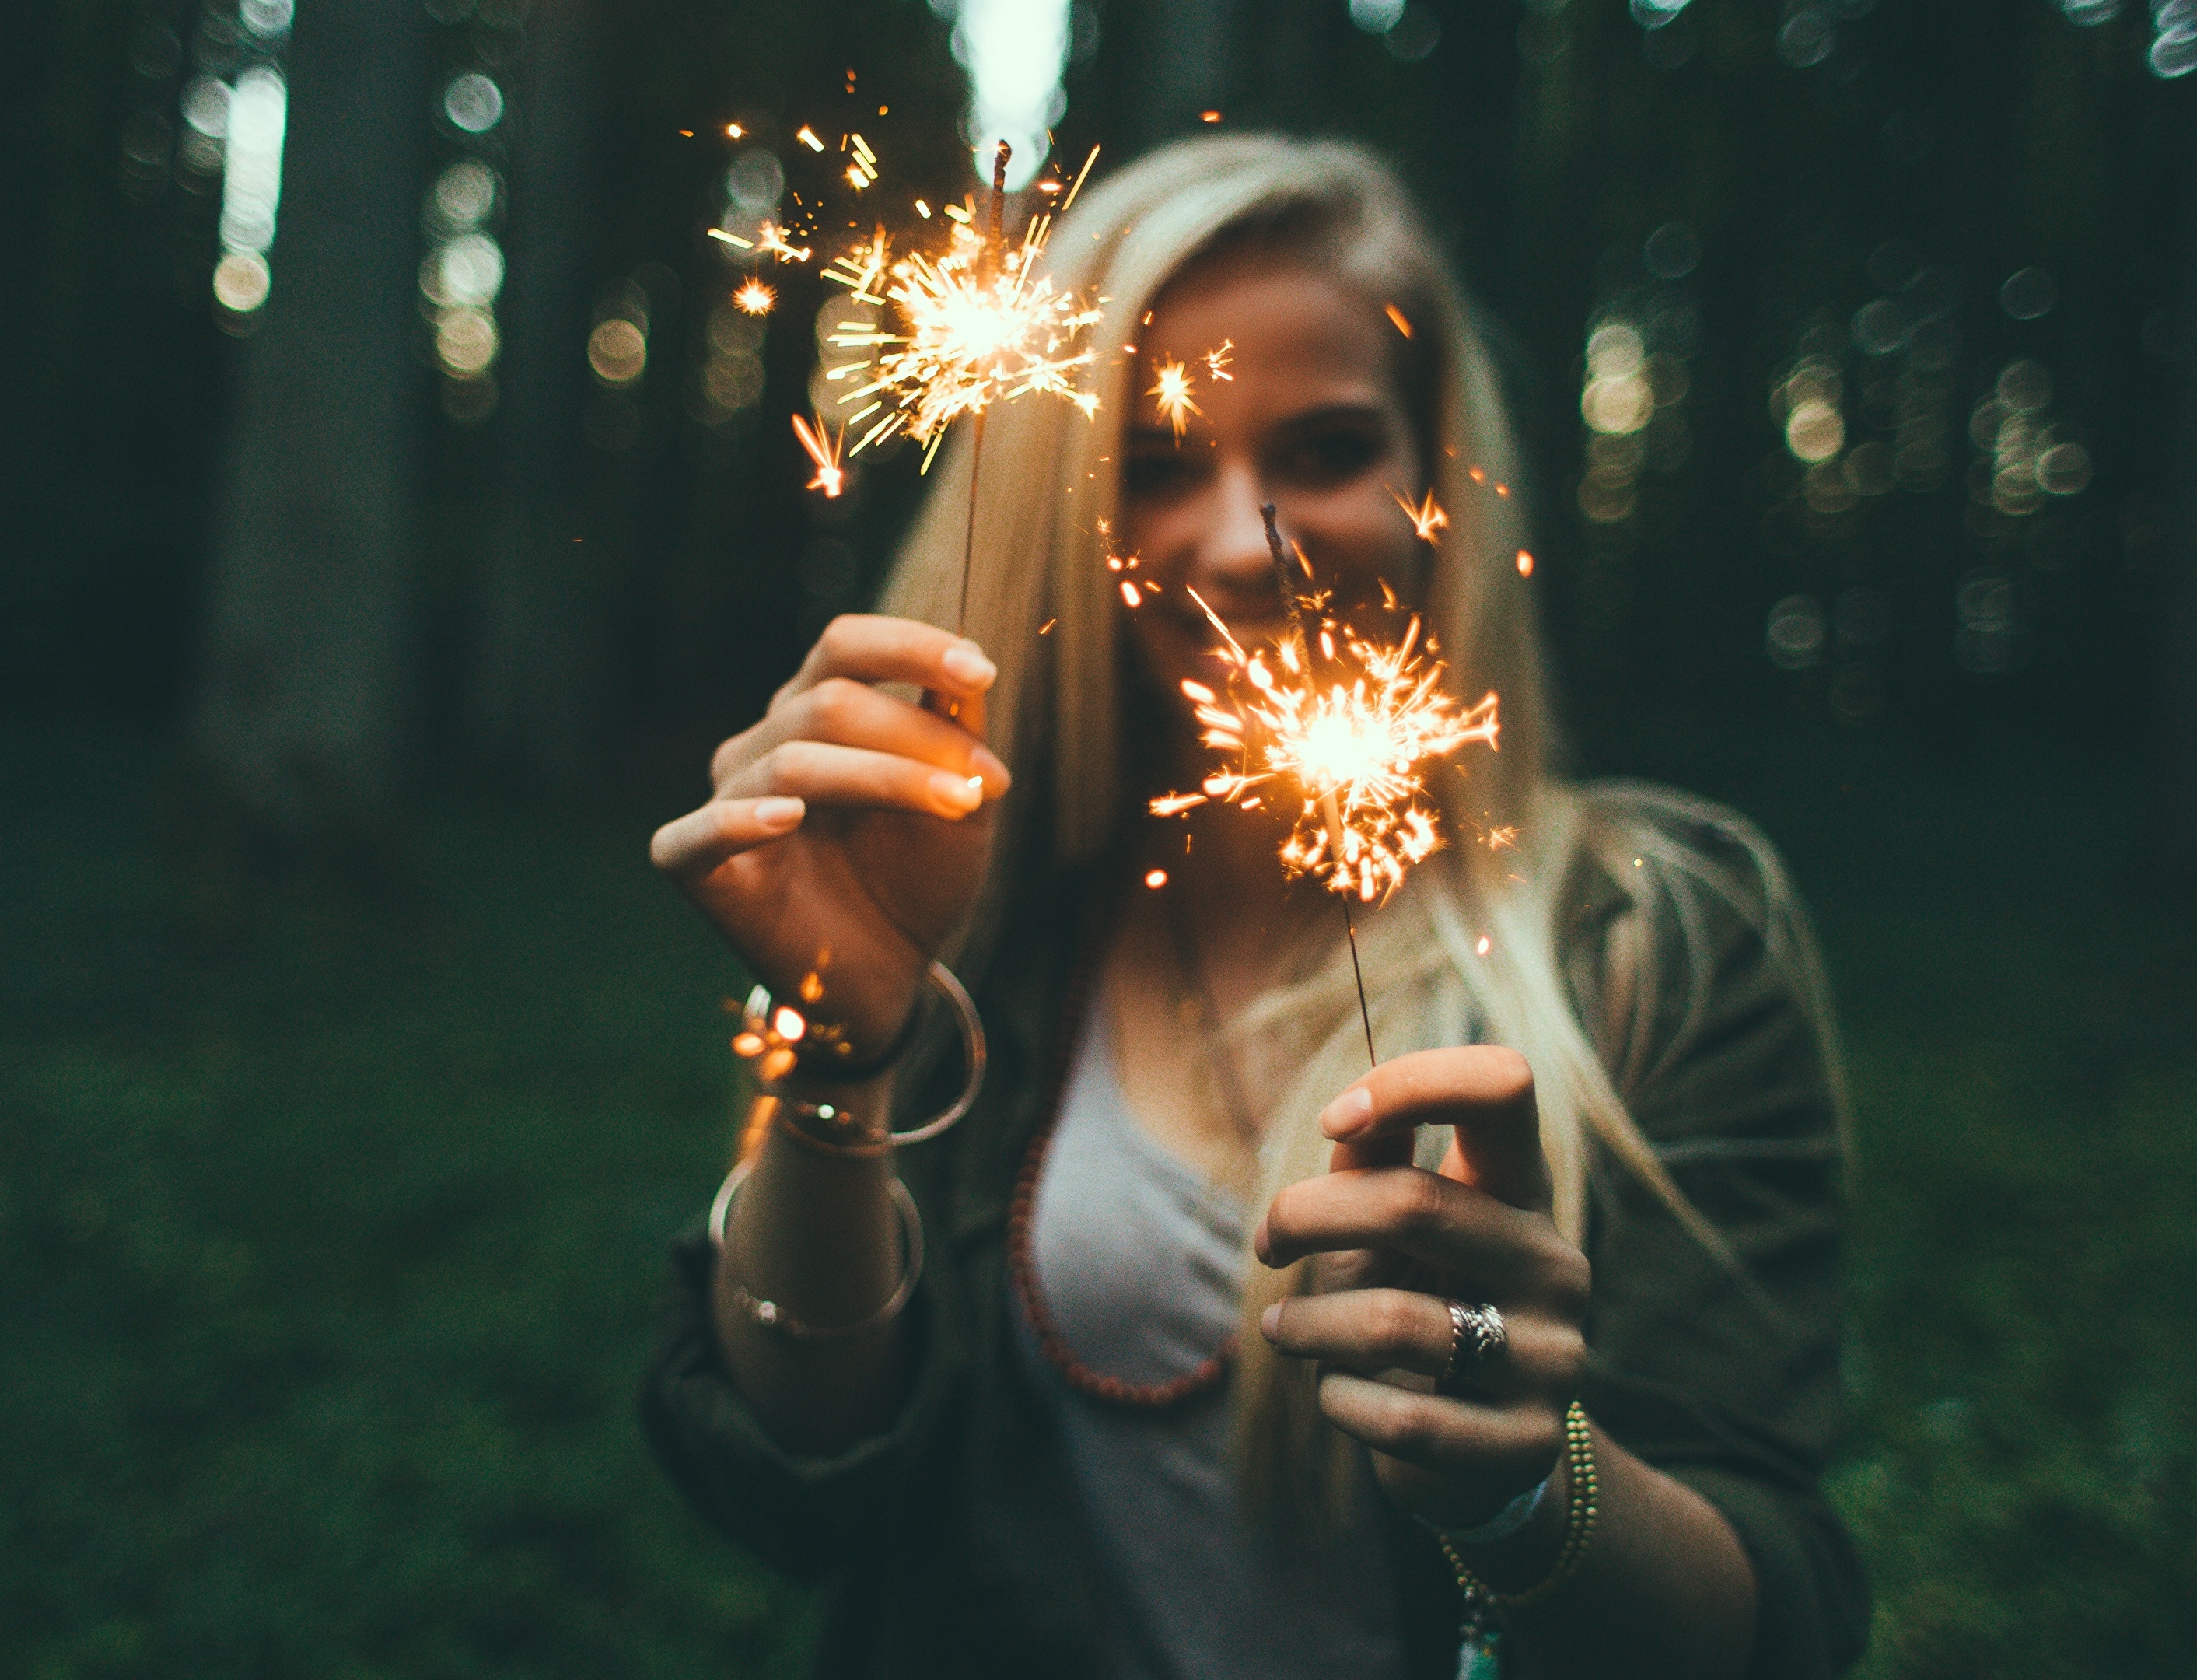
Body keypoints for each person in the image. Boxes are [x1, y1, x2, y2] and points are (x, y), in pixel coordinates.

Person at [643, 133, 1865, 1680]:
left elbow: (1778, 1619)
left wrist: (1525, 1486)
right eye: (1158, 465)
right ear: (1057, 508)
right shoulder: (990, 916)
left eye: (1327, 448)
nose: (1245, 543)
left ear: (1439, 478)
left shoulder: (1658, 934)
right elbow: (794, 1471)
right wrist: (842, 1036)